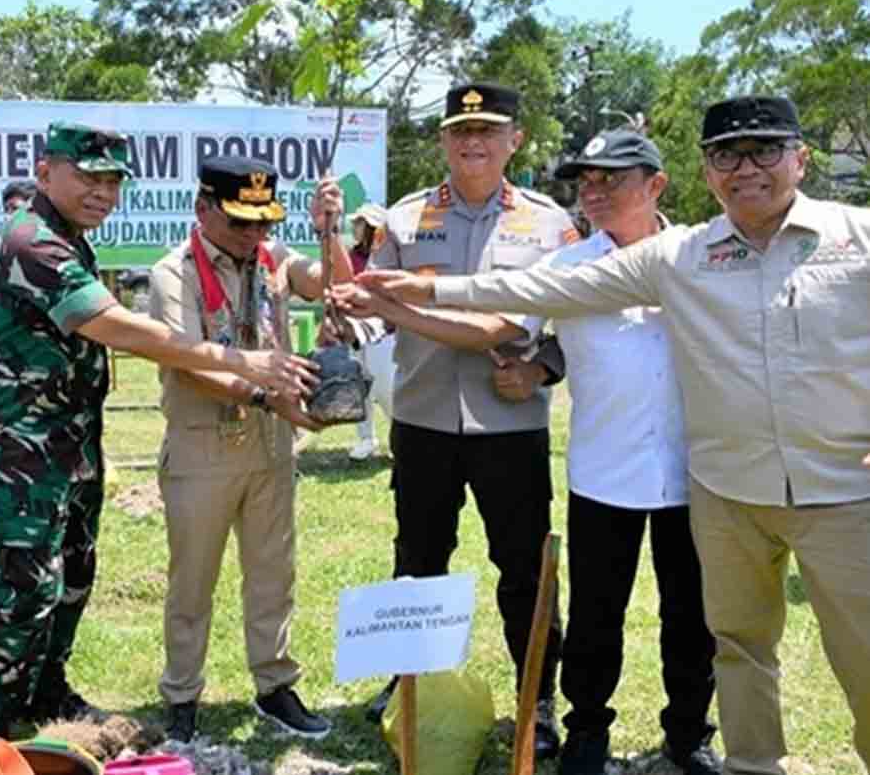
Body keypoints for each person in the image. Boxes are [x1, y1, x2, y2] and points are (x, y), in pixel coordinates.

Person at [352, 96, 870, 775]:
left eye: (763, 150)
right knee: (690, 633)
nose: (744, 169)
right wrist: (415, 294)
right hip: (671, 480)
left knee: (795, 642)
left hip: (772, 482)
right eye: (725, 155)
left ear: (799, 158)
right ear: (707, 169)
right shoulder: (657, 258)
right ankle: (632, 742)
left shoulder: (823, 239)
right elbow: (517, 299)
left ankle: (690, 737)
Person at [338, 130, 720, 773]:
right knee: (598, 615)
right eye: (586, 181)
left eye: (611, 179)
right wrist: (399, 302)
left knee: (692, 615)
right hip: (605, 470)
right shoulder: (572, 266)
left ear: (656, 184)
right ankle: (587, 733)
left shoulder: (702, 255)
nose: (594, 192)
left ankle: (689, 735)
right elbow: (495, 317)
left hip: (692, 468)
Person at [0, 123, 319, 748]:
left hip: (67, 436)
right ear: (46, 173)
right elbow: (116, 327)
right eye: (87, 176)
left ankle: (45, 690)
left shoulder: (71, 239)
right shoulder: (31, 241)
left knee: (72, 574)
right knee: (25, 584)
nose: (101, 192)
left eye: (111, 181)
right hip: (20, 443)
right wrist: (242, 364)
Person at [351, 82, 577, 757]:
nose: (472, 143)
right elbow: (366, 299)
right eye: (458, 131)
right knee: (417, 561)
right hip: (420, 418)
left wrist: (541, 369)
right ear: (442, 141)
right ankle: (406, 686)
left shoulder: (550, 225)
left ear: (516, 140)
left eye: (487, 131)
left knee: (523, 569)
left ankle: (535, 701)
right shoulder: (401, 219)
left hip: (509, 428)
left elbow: (575, 325)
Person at [150, 157, 352, 742]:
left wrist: (329, 229)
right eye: (240, 221)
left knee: (272, 574)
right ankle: (183, 694)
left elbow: (337, 286)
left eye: (263, 221)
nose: (253, 234)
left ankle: (274, 684)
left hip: (270, 447)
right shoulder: (175, 273)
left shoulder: (273, 259)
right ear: (202, 209)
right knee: (193, 582)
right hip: (202, 449)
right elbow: (187, 361)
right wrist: (268, 395)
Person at [345, 202, 390, 461]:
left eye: (360, 223)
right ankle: (366, 439)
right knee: (358, 388)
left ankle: (400, 436)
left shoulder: (387, 256)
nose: (355, 227)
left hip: (382, 332)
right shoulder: (351, 256)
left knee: (385, 389)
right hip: (355, 332)